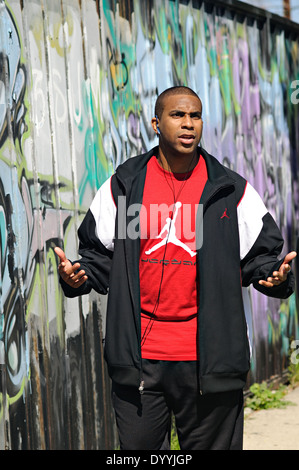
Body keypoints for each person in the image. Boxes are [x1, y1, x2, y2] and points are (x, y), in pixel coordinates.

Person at [55, 86, 296, 450]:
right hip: (139, 363)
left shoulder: (229, 190)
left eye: (195, 116)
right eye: (178, 115)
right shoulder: (126, 185)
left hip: (209, 362)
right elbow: (98, 254)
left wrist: (274, 276)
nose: (188, 124)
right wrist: (80, 275)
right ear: (156, 123)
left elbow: (260, 256)